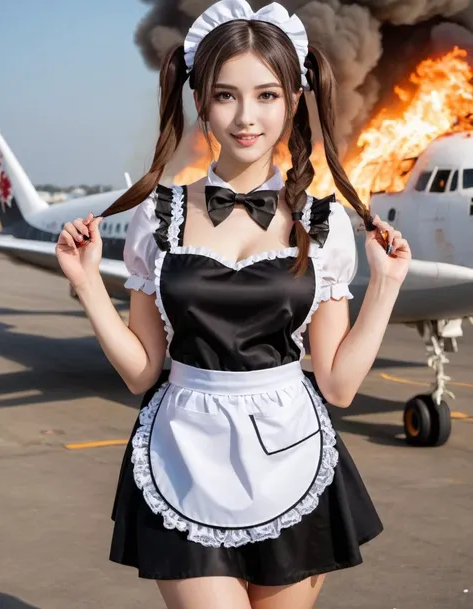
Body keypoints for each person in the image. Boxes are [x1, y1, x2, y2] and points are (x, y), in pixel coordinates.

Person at [55, 0, 411, 607]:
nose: (247, 117)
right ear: (201, 103)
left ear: (294, 101)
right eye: (226, 96)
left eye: (267, 95)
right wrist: (89, 285)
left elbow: (340, 385)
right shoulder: (156, 217)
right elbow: (143, 370)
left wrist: (385, 285)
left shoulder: (323, 224)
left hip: (292, 453)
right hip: (184, 451)